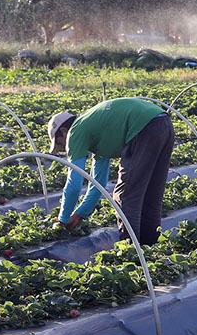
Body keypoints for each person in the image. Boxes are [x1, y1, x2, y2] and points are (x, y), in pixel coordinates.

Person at [47, 97, 174, 246]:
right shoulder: (95, 129)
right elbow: (98, 184)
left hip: (143, 127)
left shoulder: (76, 132)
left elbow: (74, 183)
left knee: (125, 196)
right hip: (163, 122)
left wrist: (63, 219)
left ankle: (131, 253)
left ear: (63, 131)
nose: (64, 148)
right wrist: (80, 213)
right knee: (151, 194)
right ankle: (150, 248)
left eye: (60, 143)